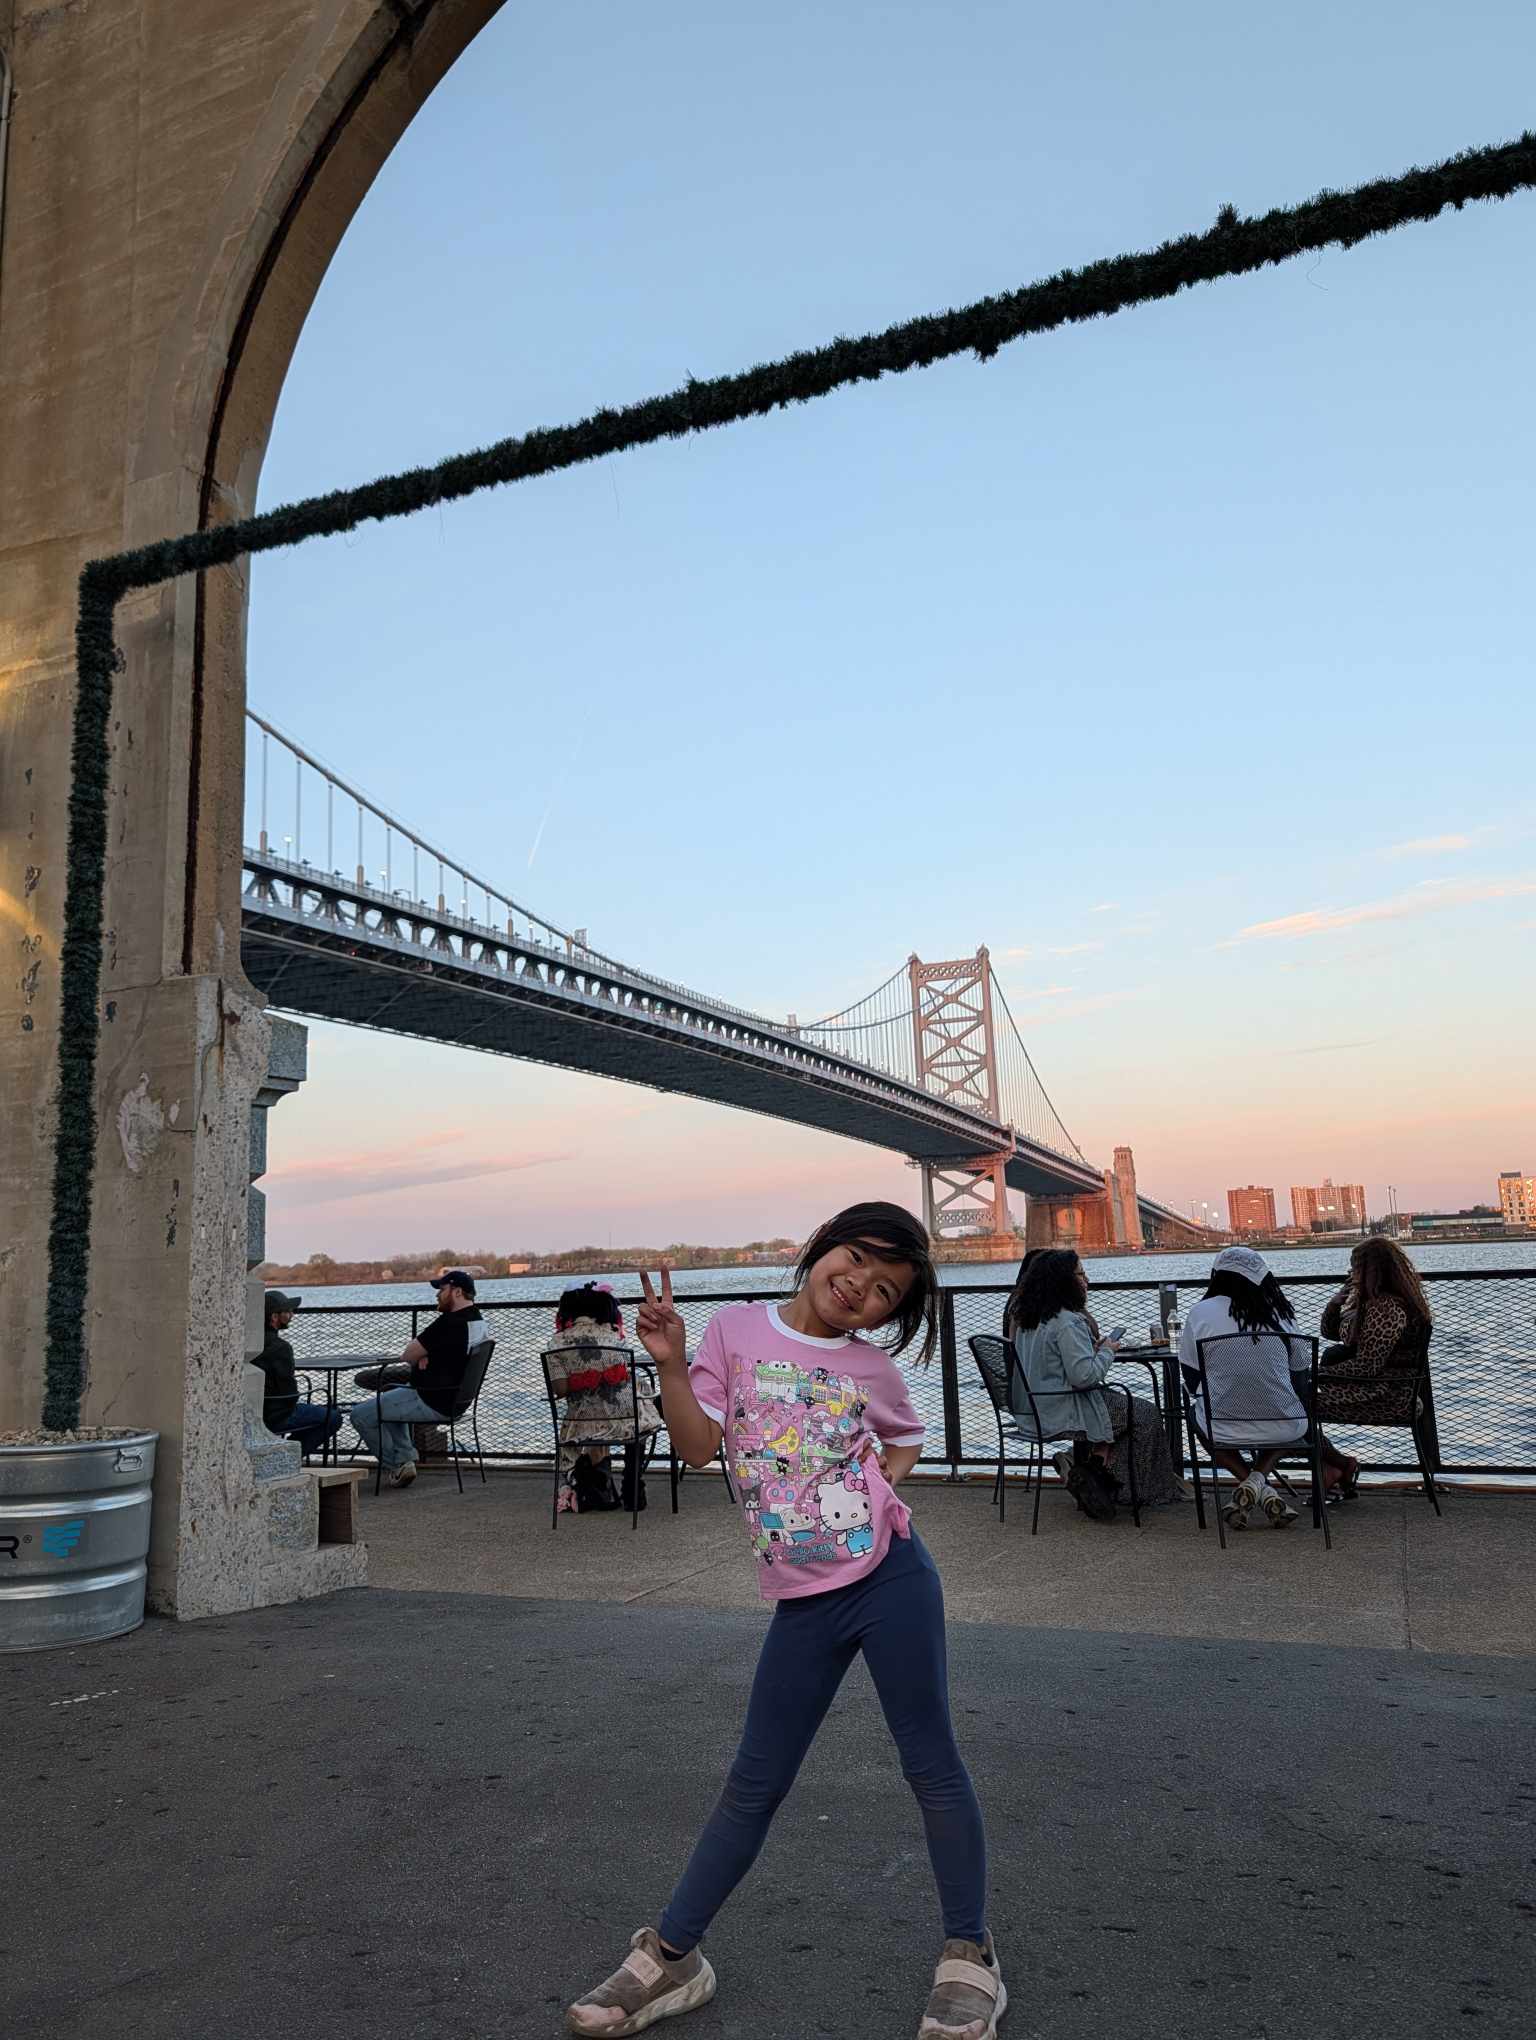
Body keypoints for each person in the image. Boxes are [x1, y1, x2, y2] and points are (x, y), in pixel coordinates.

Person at [565, 1202, 1005, 2040]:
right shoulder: (734, 1331)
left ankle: (970, 1954)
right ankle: (674, 1956)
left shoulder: (871, 1368)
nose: (861, 1287)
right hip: (803, 1597)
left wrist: (879, 1487)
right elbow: (698, 1447)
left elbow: (905, 1438)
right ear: (822, 1246)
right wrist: (670, 1364)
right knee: (755, 1781)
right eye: (857, 1258)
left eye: (886, 1290)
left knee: (932, 1764)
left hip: (892, 1579)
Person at [1003, 1248, 1180, 1521]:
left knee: (1125, 1414)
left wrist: (1090, 1351)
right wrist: (1107, 1350)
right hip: (1066, 1409)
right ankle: (1140, 1492)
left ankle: (1099, 1474)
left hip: (1034, 1409)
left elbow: (1056, 1363)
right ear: (1064, 1281)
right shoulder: (1067, 1321)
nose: (1086, 1280)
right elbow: (1084, 1377)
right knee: (1145, 1414)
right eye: (1080, 1274)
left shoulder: (1029, 1319)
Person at [1178, 1246, 1311, 1529]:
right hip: (1285, 1424)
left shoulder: (1200, 1312)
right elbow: (1300, 1371)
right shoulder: (1281, 1313)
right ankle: (1260, 1485)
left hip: (1222, 1425)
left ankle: (1251, 1484)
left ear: (1216, 1276)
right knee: (1289, 1421)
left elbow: (1191, 1376)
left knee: (1195, 1415)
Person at [1315, 1237, 1434, 1495]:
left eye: (1355, 1269)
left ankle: (1337, 1467)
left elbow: (1367, 1367)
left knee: (1297, 1408)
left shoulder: (1386, 1308)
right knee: (1297, 1404)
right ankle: (1336, 1467)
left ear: (1371, 1271)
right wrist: (1336, 1304)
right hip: (1377, 1389)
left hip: (1386, 1395)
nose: (1351, 1275)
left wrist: (1317, 1375)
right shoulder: (1376, 1305)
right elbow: (1330, 1332)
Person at [349, 1269, 489, 1487]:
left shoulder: (448, 1323)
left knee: (360, 1415)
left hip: (430, 1399)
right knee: (392, 1396)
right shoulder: (478, 1322)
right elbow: (449, 1352)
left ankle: (397, 1464)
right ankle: (406, 1457)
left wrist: (421, 1354)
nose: (437, 1295)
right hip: (456, 1401)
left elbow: (408, 1355)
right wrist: (426, 1354)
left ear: (457, 1292)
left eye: (442, 1289)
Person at [545, 1281, 662, 1513]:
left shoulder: (556, 1344)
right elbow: (622, 1374)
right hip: (624, 1420)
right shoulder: (614, 1336)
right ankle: (632, 1484)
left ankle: (599, 1486)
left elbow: (560, 1390)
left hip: (581, 1423)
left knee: (608, 1413)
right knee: (641, 1417)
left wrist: (581, 1379)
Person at [256, 1291, 343, 1460]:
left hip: (255, 1411)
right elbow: (289, 1392)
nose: (292, 1315)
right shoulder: (281, 1347)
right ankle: (287, 1459)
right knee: (333, 1417)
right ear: (274, 1317)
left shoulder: (248, 1343)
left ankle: (283, 1454)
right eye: (287, 1311)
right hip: (275, 1415)